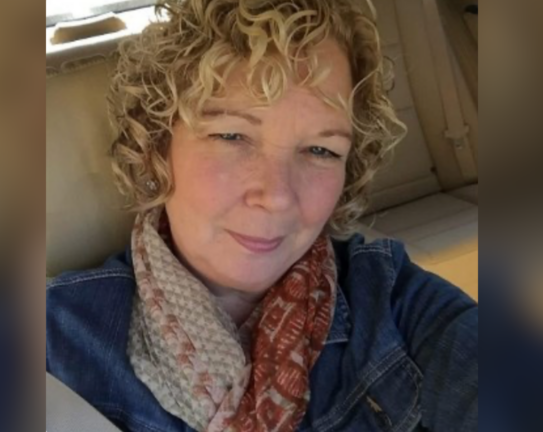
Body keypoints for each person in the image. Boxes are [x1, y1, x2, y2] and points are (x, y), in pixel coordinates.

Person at [46, 0, 478, 431]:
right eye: (232, 136)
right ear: (158, 145)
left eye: (321, 150)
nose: (277, 196)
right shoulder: (49, 343)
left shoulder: (390, 299)